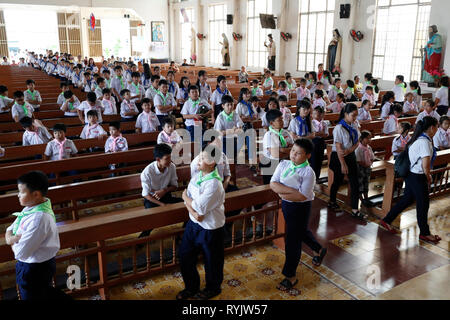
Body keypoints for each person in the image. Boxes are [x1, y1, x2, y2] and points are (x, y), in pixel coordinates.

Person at [270, 138, 327, 291]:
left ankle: (290, 276)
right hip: (288, 205)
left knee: (292, 241)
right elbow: (273, 184)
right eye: (293, 151)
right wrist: (291, 192)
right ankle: (318, 249)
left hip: (300, 208)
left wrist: (282, 192)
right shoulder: (283, 164)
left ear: (308, 156)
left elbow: (302, 197)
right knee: (301, 231)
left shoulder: (308, 173)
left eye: (298, 153)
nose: (293, 155)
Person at [380, 116, 442, 244]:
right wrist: (428, 176)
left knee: (407, 199)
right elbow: (425, 165)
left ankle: (386, 220)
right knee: (423, 204)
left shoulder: (420, 139)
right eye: (437, 126)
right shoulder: (424, 142)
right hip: (418, 176)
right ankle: (424, 233)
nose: (437, 129)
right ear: (431, 128)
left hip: (411, 175)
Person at [177, 148, 226, 300]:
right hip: (193, 224)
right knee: (185, 255)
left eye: (202, 159)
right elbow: (195, 210)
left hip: (211, 228)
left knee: (212, 261)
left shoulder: (214, 184)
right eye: (199, 157)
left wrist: (186, 199)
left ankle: (213, 288)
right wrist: (188, 202)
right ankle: (191, 287)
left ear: (212, 163)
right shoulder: (197, 176)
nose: (198, 160)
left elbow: (198, 207)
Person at [5, 171, 60, 300]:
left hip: (35, 269)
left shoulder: (39, 218)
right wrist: (10, 238)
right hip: (35, 265)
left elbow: (20, 253)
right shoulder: (32, 206)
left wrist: (11, 241)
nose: (18, 195)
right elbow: (11, 228)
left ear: (36, 194)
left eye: (21, 192)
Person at [328, 103, 364, 219]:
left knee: (355, 182)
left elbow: (358, 141)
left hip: (350, 155)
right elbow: (339, 148)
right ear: (346, 114)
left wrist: (350, 150)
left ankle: (355, 209)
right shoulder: (339, 128)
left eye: (356, 115)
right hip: (338, 157)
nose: (355, 118)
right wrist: (343, 164)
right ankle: (332, 200)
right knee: (338, 180)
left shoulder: (354, 124)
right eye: (353, 115)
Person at [139, 143, 181, 238]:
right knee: (153, 217)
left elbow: (175, 186)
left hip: (166, 195)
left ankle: (182, 233)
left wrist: (164, 190)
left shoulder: (172, 167)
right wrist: (162, 205)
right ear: (158, 159)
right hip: (152, 199)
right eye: (167, 159)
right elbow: (146, 195)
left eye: (170, 157)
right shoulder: (147, 172)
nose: (170, 161)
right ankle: (144, 236)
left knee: (186, 207)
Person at [261, 109, 294, 185]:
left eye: (282, 119)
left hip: (284, 162)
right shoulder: (268, 135)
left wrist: (281, 150)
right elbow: (275, 155)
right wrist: (288, 151)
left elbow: (294, 149)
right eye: (279, 120)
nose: (282, 122)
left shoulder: (285, 133)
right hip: (271, 164)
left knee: (285, 184)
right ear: (272, 123)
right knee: (271, 188)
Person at [213, 95, 244, 159]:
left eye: (232, 104)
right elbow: (218, 132)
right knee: (226, 158)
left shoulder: (235, 114)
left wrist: (239, 128)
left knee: (234, 156)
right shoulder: (220, 117)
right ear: (223, 106)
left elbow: (240, 125)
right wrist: (230, 131)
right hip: (223, 140)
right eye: (228, 105)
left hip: (234, 139)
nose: (230, 107)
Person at [355, 131, 375, 202]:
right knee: (360, 183)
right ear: (362, 139)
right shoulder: (359, 148)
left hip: (367, 167)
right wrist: (365, 165)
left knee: (366, 182)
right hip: (360, 168)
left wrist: (370, 162)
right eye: (367, 138)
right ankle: (361, 198)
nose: (370, 140)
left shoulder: (369, 147)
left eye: (370, 138)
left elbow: (372, 157)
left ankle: (366, 196)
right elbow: (358, 160)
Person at [310, 106, 329, 180]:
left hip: (321, 142)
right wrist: (320, 133)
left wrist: (319, 133)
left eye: (317, 114)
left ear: (321, 115)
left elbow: (326, 134)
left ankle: (317, 177)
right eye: (313, 114)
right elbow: (312, 134)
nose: (314, 116)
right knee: (313, 160)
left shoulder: (324, 123)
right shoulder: (311, 123)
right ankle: (312, 178)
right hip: (313, 142)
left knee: (319, 160)